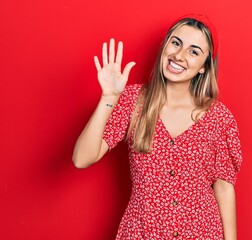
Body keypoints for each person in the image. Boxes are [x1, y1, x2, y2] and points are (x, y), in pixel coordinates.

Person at [73, 14, 242, 239]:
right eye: (176, 43)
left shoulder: (219, 117)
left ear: (204, 67)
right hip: (143, 232)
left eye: (193, 51)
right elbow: (82, 159)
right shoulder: (133, 101)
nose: (179, 56)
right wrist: (109, 96)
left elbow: (224, 188)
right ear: (165, 47)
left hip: (202, 233)